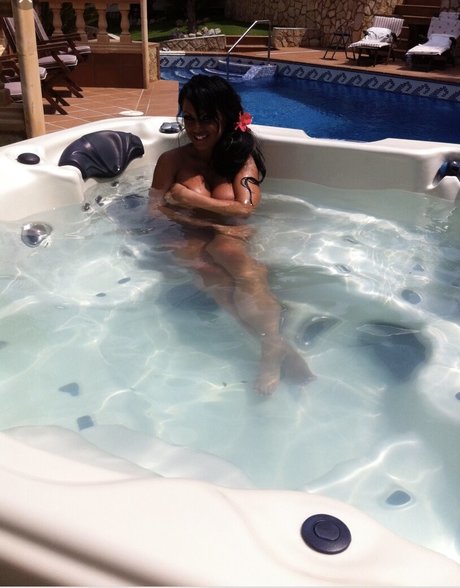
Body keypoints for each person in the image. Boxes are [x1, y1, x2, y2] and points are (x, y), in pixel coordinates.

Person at [149, 74, 313, 394]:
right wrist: (198, 222)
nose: (196, 128)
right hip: (187, 230)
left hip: (230, 233)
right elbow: (153, 211)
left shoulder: (241, 160)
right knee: (210, 271)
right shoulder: (171, 161)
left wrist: (189, 198)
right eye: (189, 118)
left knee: (227, 252)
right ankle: (274, 345)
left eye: (207, 118)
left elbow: (245, 210)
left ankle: (270, 347)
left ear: (226, 116)